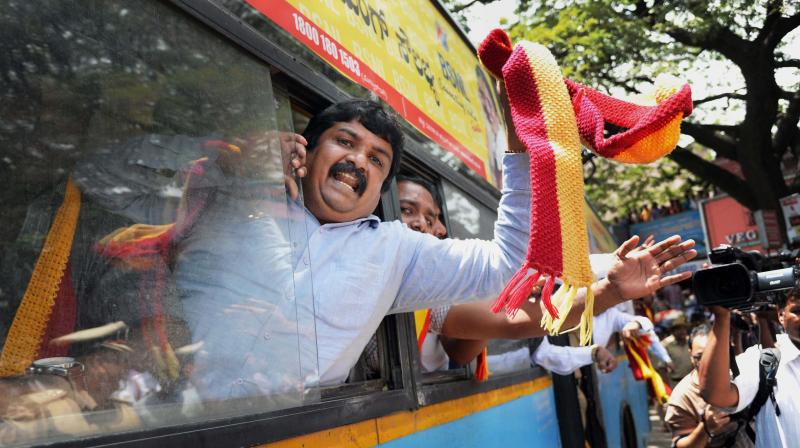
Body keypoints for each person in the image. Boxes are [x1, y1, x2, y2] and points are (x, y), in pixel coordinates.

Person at [134, 95, 698, 399]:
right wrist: (236, 162)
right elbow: (129, 187)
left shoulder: (396, 252)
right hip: (168, 416)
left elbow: (513, 266)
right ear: (308, 149)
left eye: (377, 160)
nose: (358, 160)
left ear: (381, 188)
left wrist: (523, 136)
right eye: (344, 142)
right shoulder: (237, 199)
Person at [699, 295, 800, 447]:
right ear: (780, 314)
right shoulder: (766, 360)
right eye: (797, 311)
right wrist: (722, 316)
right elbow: (716, 394)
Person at [665, 324, 754, 448]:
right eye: (699, 357)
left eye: (713, 354)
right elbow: (681, 444)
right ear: (690, 354)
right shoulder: (682, 397)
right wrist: (706, 427)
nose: (707, 362)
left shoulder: (743, 376)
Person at [663, 313, 693, 386]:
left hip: (692, 381)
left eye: (684, 328)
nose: (682, 331)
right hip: (676, 383)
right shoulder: (667, 345)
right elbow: (662, 369)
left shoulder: (691, 342)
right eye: (678, 329)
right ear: (673, 332)